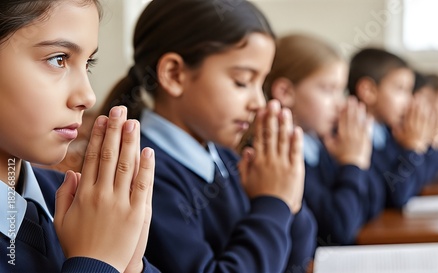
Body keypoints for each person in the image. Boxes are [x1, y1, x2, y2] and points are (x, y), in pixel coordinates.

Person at [100, 1, 316, 272]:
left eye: (261, 83)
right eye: (242, 81)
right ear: (174, 74)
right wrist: (273, 205)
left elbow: (293, 263)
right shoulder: (142, 174)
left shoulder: (226, 158)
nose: (259, 102)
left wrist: (289, 201)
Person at [0, 1, 157, 272]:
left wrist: (131, 266)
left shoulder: (82, 203)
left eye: (88, 64)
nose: (88, 96)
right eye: (57, 59)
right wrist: (97, 263)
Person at [263, 34, 373, 245]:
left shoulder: (319, 144)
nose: (340, 104)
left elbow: (370, 208)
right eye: (328, 90)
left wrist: (357, 156)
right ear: (285, 92)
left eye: (341, 91)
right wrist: (353, 163)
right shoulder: (279, 157)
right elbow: (340, 229)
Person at [348, 48, 433, 209]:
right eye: (400, 89)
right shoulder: (350, 137)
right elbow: (397, 195)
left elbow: (422, 181)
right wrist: (413, 148)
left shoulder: (387, 131)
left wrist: (419, 144)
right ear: (368, 91)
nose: (409, 101)